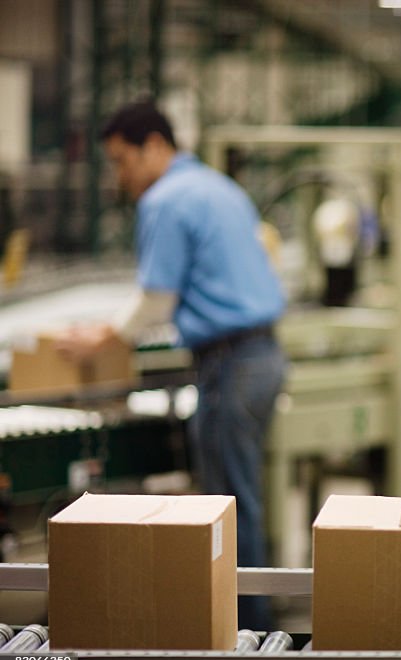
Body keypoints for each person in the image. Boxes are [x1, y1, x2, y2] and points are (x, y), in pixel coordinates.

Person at [57, 101, 286, 631]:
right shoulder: (218, 186)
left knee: (229, 507)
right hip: (262, 357)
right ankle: (249, 622)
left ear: (155, 146)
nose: (121, 176)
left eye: (122, 161)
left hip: (231, 365)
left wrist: (102, 338)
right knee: (242, 500)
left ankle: (247, 635)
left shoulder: (165, 198)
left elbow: (157, 300)